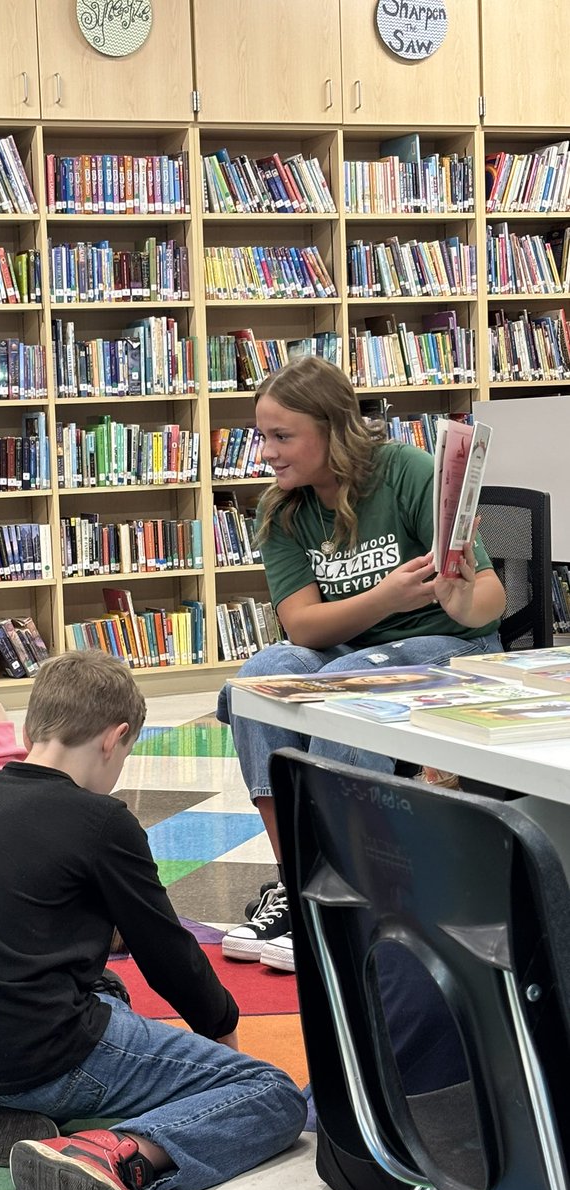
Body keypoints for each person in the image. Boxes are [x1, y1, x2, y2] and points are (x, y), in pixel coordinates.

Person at [0, 649, 307, 1190]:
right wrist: (220, 1027)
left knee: (105, 987)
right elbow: (165, 948)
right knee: (266, 1091)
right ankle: (120, 1154)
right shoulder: (100, 819)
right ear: (114, 738)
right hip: (38, 1055)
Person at [216, 357, 505, 971]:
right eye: (261, 435)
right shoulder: (285, 510)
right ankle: (298, 883)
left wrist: (455, 594)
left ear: (333, 428)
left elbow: (490, 601)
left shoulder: (408, 472)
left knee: (339, 687)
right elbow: (302, 625)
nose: (265, 451)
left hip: (449, 649)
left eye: (281, 436)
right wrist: (386, 597)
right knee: (262, 676)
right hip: (353, 650)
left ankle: (358, 890)